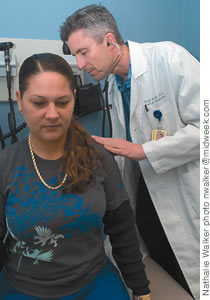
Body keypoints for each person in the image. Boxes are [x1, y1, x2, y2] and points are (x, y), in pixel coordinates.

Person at [60, 4, 200, 300]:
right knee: (166, 269)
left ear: (109, 41)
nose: (80, 65)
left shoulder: (169, 58)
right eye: (75, 56)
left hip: (187, 194)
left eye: (83, 52)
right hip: (149, 200)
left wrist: (144, 150)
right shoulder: (112, 85)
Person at [0, 53, 151, 300]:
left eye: (62, 102)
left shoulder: (99, 159)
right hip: (23, 288)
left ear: (74, 99)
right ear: (20, 100)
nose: (52, 114)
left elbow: (122, 230)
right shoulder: (5, 165)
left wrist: (141, 288)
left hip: (93, 282)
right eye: (39, 103)